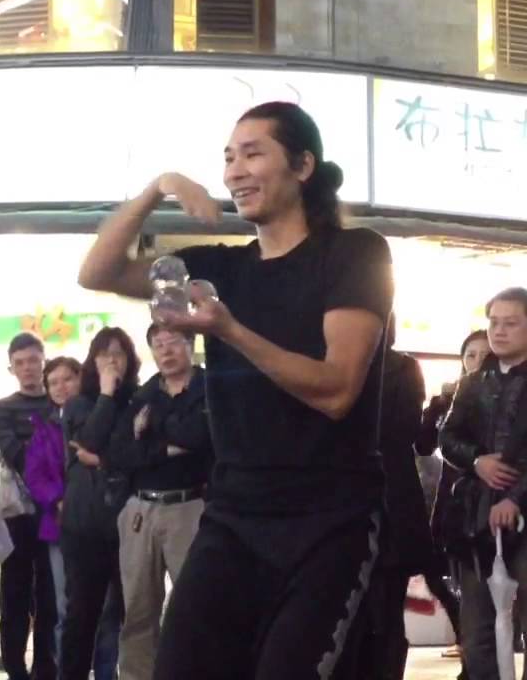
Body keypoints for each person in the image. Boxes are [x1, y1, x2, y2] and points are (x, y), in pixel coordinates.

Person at [79, 101, 392, 678]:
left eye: (253, 153)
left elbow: (337, 389)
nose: (234, 171)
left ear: (302, 166)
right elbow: (97, 271)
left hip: (331, 518)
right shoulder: (218, 268)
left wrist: (229, 329)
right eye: (228, 157)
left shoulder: (355, 253)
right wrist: (159, 186)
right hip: (234, 513)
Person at [440, 288, 527, 680]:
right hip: (477, 516)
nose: (499, 331)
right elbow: (446, 438)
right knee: (477, 626)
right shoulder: (472, 383)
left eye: (511, 323)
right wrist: (477, 461)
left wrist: (516, 498)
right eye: (494, 322)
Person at [107, 325, 210, 680]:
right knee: (137, 609)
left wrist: (152, 432)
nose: (165, 352)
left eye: (173, 343)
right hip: (140, 509)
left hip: (191, 506)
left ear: (190, 344)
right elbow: (120, 451)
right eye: (158, 345)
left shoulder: (209, 387)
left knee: (196, 607)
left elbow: (200, 436)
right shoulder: (144, 393)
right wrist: (166, 446)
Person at [58, 327, 137, 680]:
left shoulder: (140, 398)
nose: (111, 360)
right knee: (82, 615)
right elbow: (88, 440)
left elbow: (137, 453)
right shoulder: (77, 404)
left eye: (118, 353)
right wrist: (106, 395)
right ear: (92, 361)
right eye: (104, 354)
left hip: (128, 523)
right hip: (84, 525)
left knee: (129, 614)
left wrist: (104, 458)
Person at [359, 319, 431, 680]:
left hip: (392, 503)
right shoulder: (332, 364)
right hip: (342, 504)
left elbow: (404, 430)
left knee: (386, 610)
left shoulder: (403, 368)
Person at [0, 333, 58, 680]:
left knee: (50, 595)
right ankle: (15, 668)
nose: (28, 368)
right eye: (20, 363)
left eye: (33, 360)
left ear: (44, 361)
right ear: (11, 368)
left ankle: (46, 669)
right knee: (13, 595)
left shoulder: (58, 402)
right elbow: (17, 456)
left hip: (56, 514)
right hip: (18, 516)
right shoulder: (1, 409)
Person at [417, 330, 488, 668]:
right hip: (451, 501)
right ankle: (469, 649)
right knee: (440, 571)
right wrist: (432, 414)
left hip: (489, 501)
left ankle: (478, 659)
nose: (475, 362)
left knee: (482, 586)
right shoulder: (447, 399)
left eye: (483, 355)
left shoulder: (503, 397)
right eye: (470, 354)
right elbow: (423, 446)